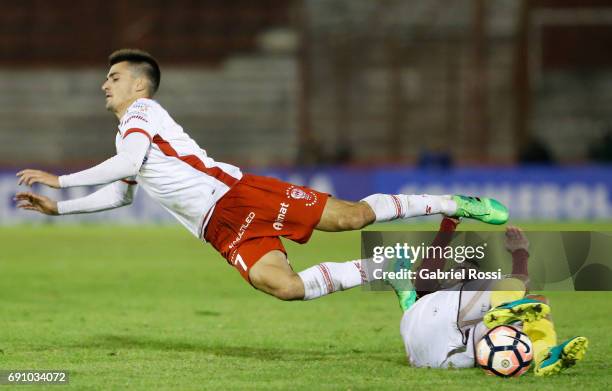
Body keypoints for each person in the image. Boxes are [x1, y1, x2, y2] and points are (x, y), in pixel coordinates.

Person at [14, 48, 509, 302]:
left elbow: (124, 167)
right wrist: (59, 209)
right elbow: (121, 195)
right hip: (220, 227)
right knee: (284, 287)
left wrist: (62, 180)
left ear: (139, 85)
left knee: (352, 219)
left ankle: (451, 203)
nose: (105, 84)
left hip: (239, 196)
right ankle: (388, 271)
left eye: (113, 77)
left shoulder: (142, 114)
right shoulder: (130, 136)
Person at [392, 221, 588, 375]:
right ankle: (518, 321)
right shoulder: (432, 298)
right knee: (527, 295)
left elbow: (425, 278)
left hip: (447, 357)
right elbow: (521, 284)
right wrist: (520, 252)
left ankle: (544, 356)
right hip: (447, 339)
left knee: (517, 321)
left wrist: (448, 225)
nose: (463, 269)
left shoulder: (425, 305)